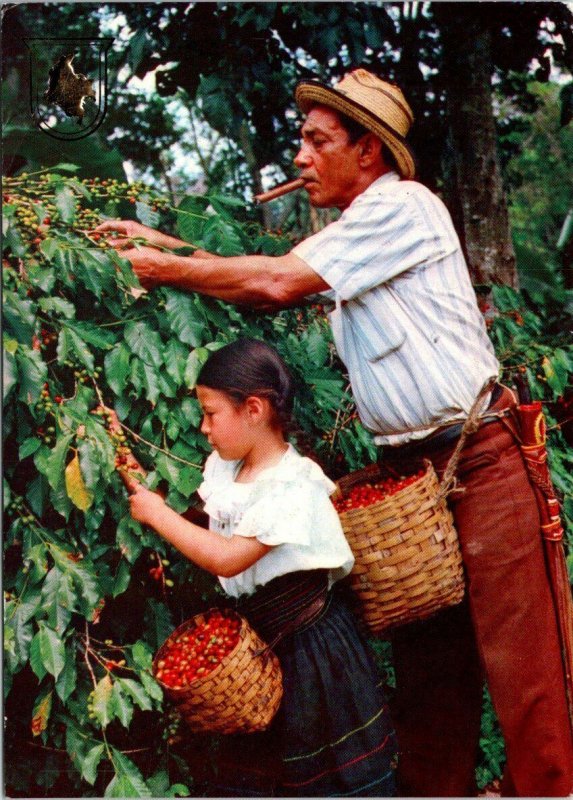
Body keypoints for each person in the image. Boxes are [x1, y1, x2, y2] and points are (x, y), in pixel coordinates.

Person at [96, 69, 573, 797]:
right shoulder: (351, 232)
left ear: (369, 151)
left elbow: (275, 283)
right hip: (409, 480)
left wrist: (160, 268)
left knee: (527, 665)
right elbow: (269, 266)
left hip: (481, 455)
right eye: (302, 141)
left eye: (318, 141)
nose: (300, 157)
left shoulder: (401, 206)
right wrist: (160, 241)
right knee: (428, 670)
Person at [122, 338, 397, 798]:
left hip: (311, 654)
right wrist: (126, 463)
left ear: (254, 409)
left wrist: (156, 515)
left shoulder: (295, 486)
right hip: (256, 649)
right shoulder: (228, 471)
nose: (204, 428)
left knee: (320, 777)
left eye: (212, 414)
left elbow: (227, 556)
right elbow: (208, 530)